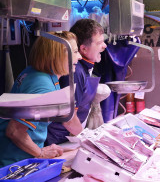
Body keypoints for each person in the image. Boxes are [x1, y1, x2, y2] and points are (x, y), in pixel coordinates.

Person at [0, 31, 82, 167]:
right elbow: (14, 131)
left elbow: (72, 125)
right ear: (58, 55)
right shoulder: (42, 85)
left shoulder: (38, 73)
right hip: (14, 163)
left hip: (20, 156)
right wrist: (40, 153)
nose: (79, 57)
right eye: (74, 51)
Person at [46, 19, 107, 145]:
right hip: (55, 141)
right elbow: (68, 117)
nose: (104, 46)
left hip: (66, 137)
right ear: (83, 49)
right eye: (100, 42)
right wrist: (88, 140)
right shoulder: (76, 71)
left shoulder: (85, 67)